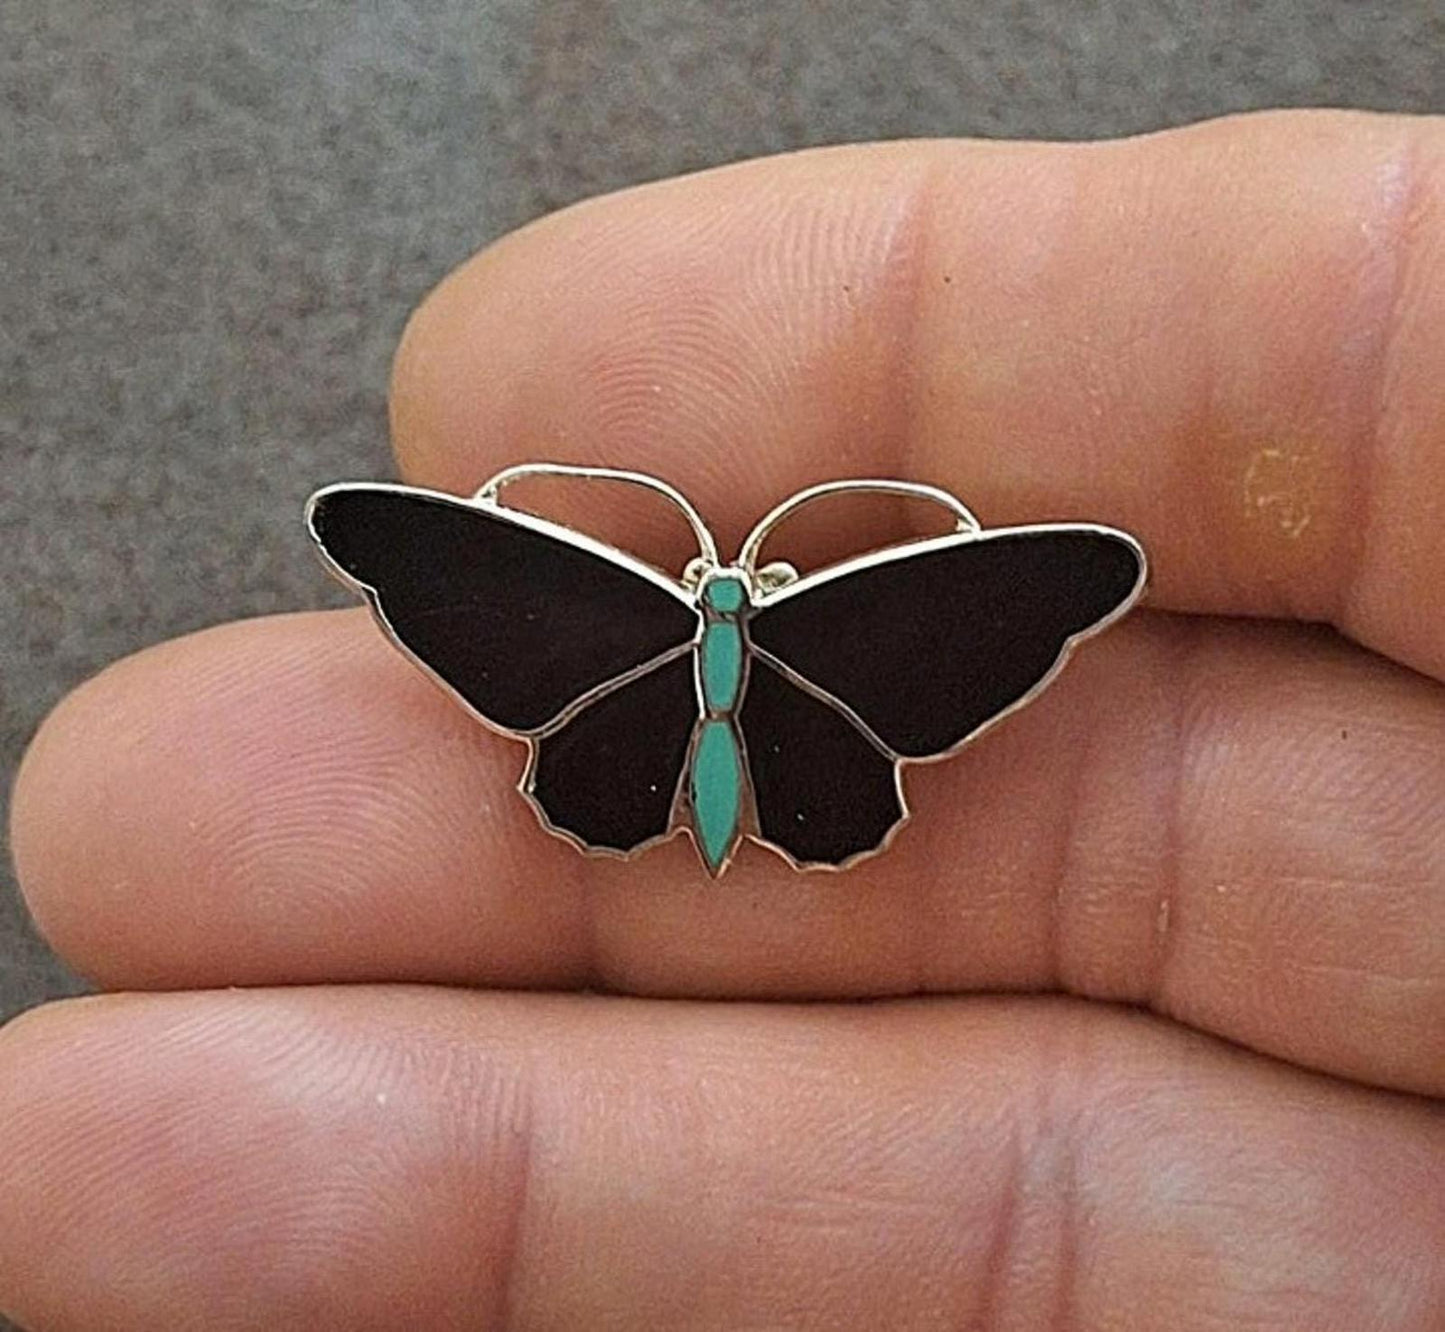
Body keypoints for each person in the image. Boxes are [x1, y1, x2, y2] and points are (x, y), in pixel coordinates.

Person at [2, 110, 1442, 1329]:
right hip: (823, 746)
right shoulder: (834, 602)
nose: (717, 584)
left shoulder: (637, 595)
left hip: (616, 736)